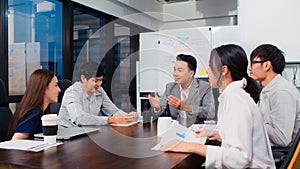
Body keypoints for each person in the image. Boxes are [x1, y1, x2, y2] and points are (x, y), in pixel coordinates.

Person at [160, 44, 275, 168]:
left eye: (210, 66)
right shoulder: (233, 95)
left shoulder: (235, 99)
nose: (207, 71)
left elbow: (240, 158)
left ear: (224, 70)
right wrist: (219, 135)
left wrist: (191, 146)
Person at [249, 44, 300, 147]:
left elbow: (282, 139)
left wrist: (254, 121)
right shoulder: (269, 89)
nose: (249, 68)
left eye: (253, 63)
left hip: (278, 156)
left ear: (267, 65)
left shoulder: (281, 92)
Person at [58, 62, 137, 127]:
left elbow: (113, 112)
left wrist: (128, 116)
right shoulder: (72, 92)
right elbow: (80, 119)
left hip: (88, 132)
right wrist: (110, 120)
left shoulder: (99, 91)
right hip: (68, 135)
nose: (99, 84)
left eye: (101, 80)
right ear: (83, 78)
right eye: (96, 80)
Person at [148, 54, 215, 124]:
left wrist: (187, 107)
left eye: (180, 70)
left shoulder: (204, 87)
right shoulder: (170, 87)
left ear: (191, 73)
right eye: (174, 70)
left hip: (196, 129)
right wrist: (157, 108)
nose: (175, 74)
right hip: (176, 129)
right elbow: (160, 113)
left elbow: (210, 113)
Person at [7, 69, 61, 140]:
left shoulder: (44, 111)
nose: (59, 90)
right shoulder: (34, 113)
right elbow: (15, 141)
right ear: (44, 88)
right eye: (56, 85)